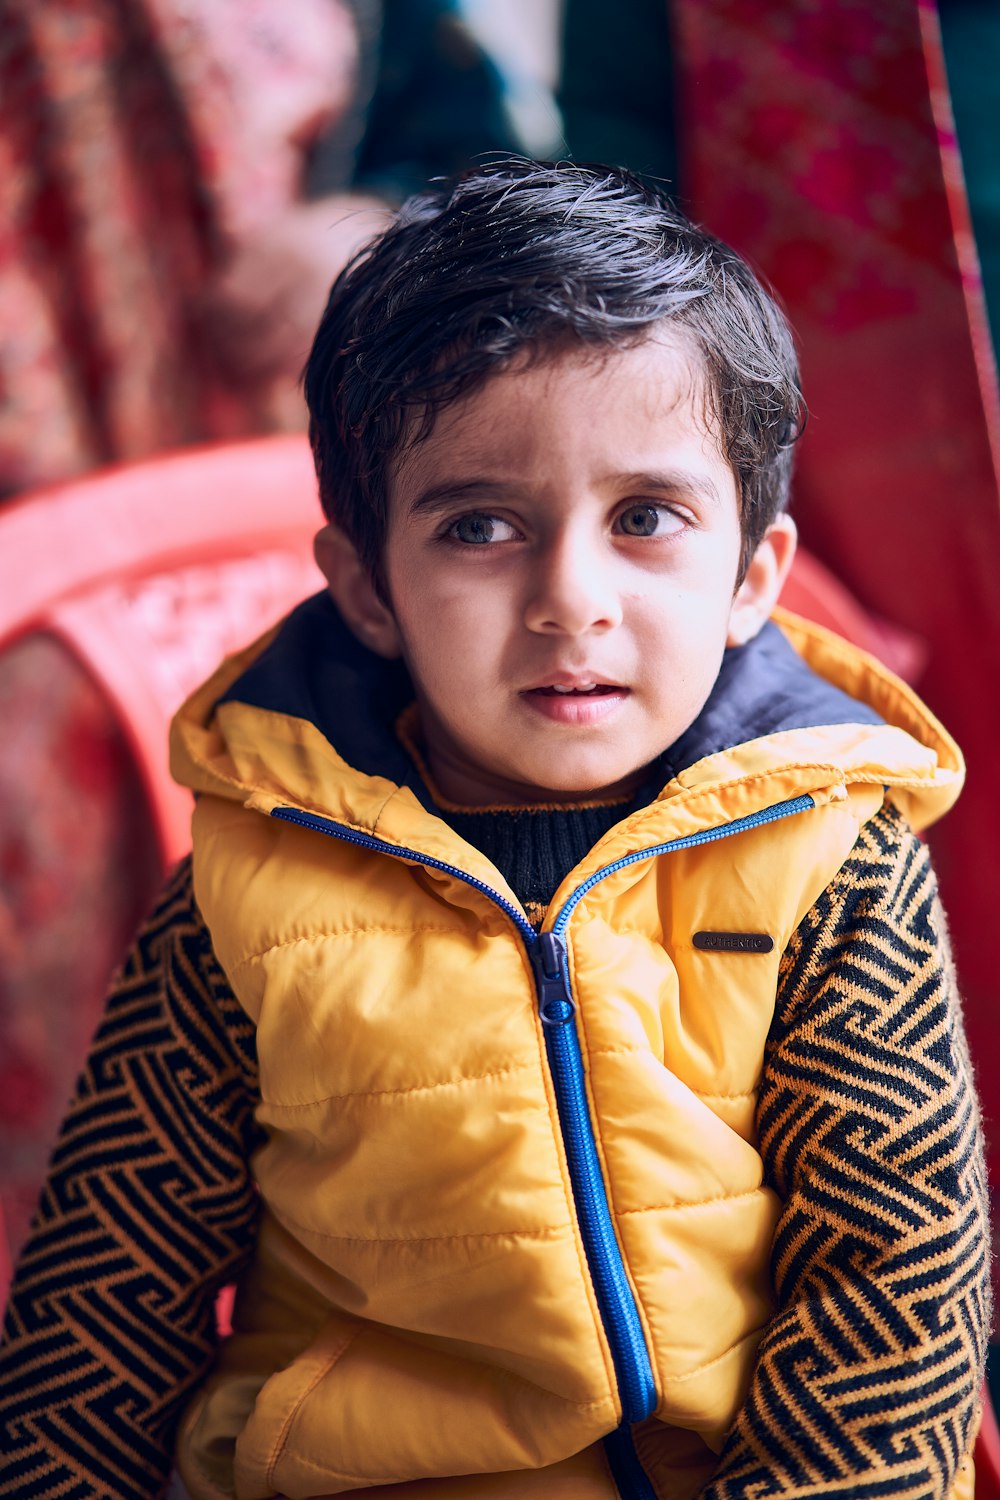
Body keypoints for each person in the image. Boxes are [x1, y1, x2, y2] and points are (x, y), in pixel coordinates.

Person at [0, 160, 989, 1499]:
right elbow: (98, 1321)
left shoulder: (832, 857)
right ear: (366, 588)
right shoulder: (248, 889)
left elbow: (898, 1289)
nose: (569, 598)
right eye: (479, 526)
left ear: (753, 576)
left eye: (645, 518)